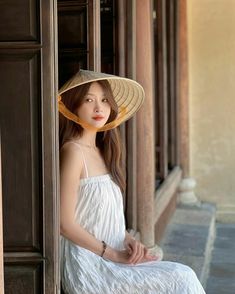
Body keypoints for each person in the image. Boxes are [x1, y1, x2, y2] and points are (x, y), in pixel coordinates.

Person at [59, 70, 206, 294]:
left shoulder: (103, 152)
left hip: (112, 255)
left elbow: (103, 218)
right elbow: (64, 224)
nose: (99, 108)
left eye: (104, 100)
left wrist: (129, 241)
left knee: (182, 276)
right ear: (73, 106)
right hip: (88, 264)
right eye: (89, 100)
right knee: (182, 278)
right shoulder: (73, 151)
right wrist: (113, 254)